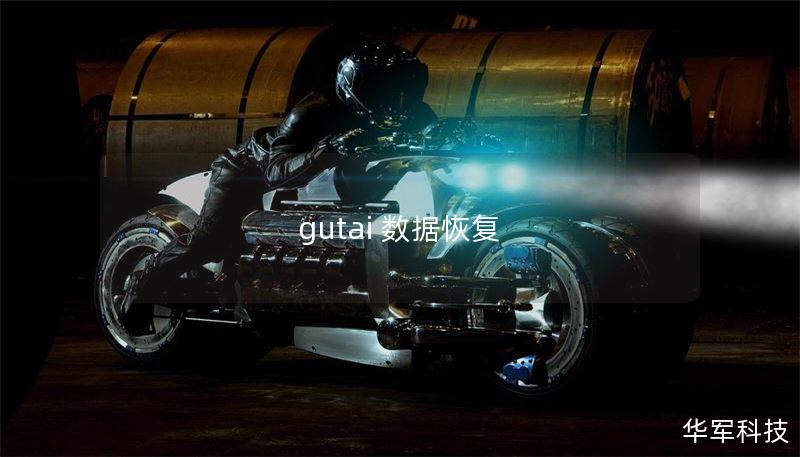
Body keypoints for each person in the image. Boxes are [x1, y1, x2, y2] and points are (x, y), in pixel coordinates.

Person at [120, 41, 437, 320]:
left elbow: (434, 140)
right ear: (358, 85)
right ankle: (144, 279)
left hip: (332, 179)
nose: (396, 100)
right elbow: (276, 171)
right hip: (248, 170)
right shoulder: (314, 110)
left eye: (403, 90)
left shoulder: (412, 113)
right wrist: (328, 149)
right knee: (209, 242)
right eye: (386, 90)